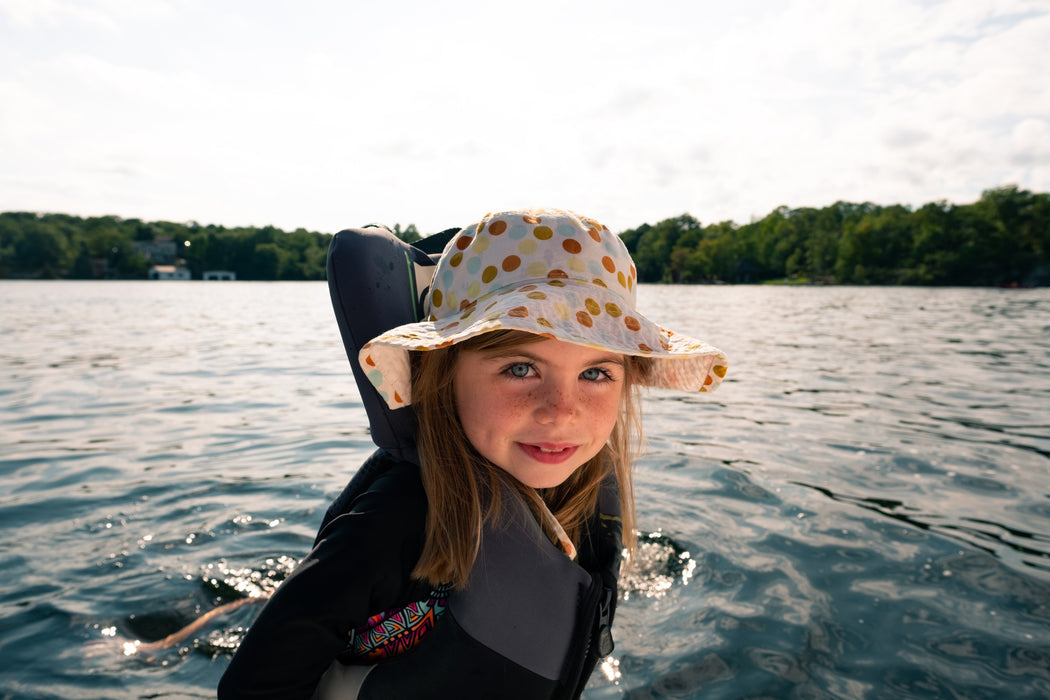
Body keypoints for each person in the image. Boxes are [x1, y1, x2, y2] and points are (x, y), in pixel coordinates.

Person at [218, 208, 728, 699]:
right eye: (521, 369)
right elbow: (252, 687)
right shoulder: (390, 523)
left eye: (595, 373)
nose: (561, 412)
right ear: (442, 376)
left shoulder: (586, 487)